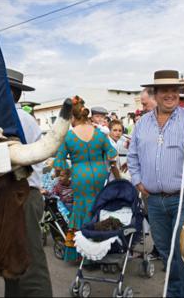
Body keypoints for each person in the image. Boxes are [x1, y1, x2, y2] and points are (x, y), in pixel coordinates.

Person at [128, 69, 184, 297]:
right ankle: (174, 292)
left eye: (174, 90)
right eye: (164, 90)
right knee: (167, 252)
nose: (169, 94)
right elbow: (133, 156)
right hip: (155, 201)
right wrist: (137, 181)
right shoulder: (142, 123)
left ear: (179, 92)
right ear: (154, 94)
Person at [0, 68, 53, 297]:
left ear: (7, 93)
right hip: (18, 197)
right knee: (11, 261)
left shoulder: (17, 119)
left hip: (23, 196)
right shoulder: (8, 118)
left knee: (29, 260)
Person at [54, 96, 117, 262]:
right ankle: (100, 249)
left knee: (81, 210)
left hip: (80, 177)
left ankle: (83, 255)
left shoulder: (68, 136)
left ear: (72, 118)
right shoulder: (99, 134)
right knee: (97, 208)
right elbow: (112, 155)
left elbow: (59, 163)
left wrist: (65, 173)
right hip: (99, 175)